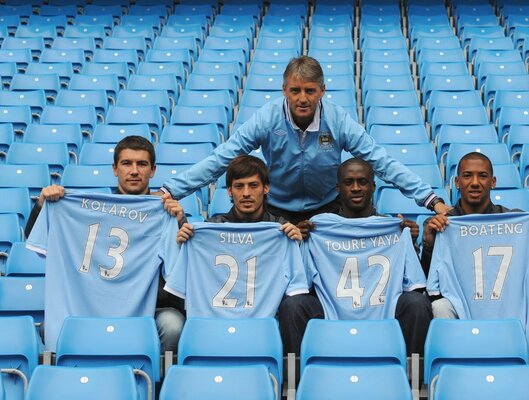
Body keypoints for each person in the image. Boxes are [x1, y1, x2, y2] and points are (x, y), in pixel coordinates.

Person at [160, 55, 449, 225]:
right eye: (295, 90)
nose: (302, 99)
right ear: (284, 89)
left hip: (328, 209)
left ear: (322, 90)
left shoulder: (337, 121)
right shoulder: (266, 119)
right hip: (275, 210)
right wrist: (170, 190)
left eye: (310, 91)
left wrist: (431, 199)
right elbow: (221, 158)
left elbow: (381, 161)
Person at [25, 136, 186, 352]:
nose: (134, 171)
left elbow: (182, 273)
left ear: (153, 170)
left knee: (172, 324)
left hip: (148, 308)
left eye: (142, 164)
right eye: (127, 163)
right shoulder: (88, 210)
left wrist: (179, 224)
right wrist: (43, 205)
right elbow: (35, 237)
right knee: (52, 328)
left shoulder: (166, 213)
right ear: (115, 169)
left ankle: (157, 383)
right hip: (89, 305)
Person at [422, 152, 529, 355]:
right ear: (457, 182)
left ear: (493, 182)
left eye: (482, 176)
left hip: (513, 305)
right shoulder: (442, 224)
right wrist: (429, 244)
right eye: (467, 175)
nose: (475, 182)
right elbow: (429, 287)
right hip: (463, 307)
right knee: (441, 307)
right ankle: (456, 366)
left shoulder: (516, 221)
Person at [278, 158, 432, 356]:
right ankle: (300, 379)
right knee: (293, 306)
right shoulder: (315, 228)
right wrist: (300, 243)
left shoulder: (394, 228)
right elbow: (301, 286)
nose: (356, 188)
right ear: (338, 188)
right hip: (329, 313)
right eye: (349, 182)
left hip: (385, 313)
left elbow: (415, 286)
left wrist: (410, 242)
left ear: (373, 186)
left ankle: (411, 379)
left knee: (417, 303)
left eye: (363, 181)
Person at [171, 155, 308, 320]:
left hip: (266, 322)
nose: (246, 193)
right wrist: (182, 244)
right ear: (229, 190)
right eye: (239, 186)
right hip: (213, 319)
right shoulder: (210, 229)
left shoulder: (282, 230)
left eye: (253, 185)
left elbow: (297, 288)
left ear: (266, 188)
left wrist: (299, 247)